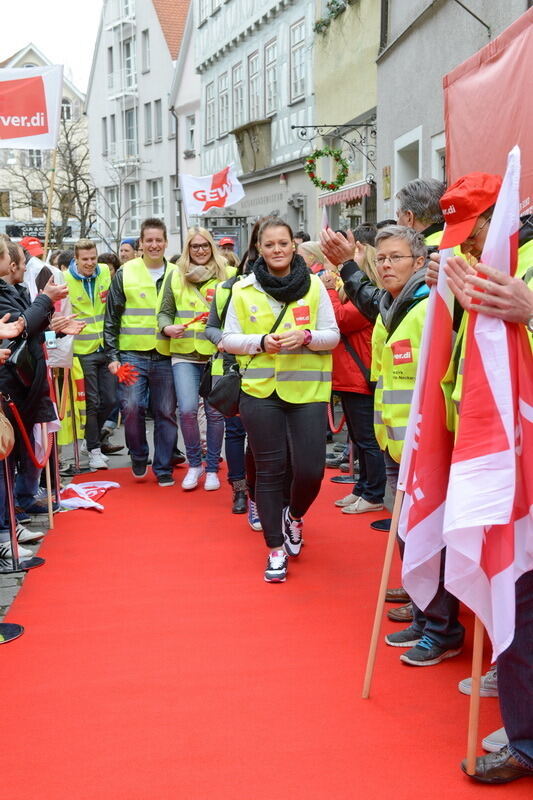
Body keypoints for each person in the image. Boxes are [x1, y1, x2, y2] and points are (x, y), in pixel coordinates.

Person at [222, 217, 339, 582]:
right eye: (269, 244)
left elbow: (332, 336)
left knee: (310, 470)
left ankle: (295, 516)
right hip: (260, 392)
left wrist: (306, 336)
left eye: (283, 243)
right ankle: (275, 550)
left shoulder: (315, 287)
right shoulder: (242, 290)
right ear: (259, 248)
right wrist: (261, 342)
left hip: (306, 392)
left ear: (293, 245)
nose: (277, 250)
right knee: (270, 473)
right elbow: (228, 339)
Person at [368, 225, 465, 664]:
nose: (386, 265)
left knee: (428, 536)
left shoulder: (427, 305)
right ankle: (427, 616)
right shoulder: (391, 305)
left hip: (426, 445)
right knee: (409, 536)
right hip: (395, 442)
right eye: (381, 258)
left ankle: (443, 629)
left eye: (396, 258)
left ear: (418, 261)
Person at [0, 240, 70, 551]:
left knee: (12, 461)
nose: (22, 264)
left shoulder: (13, 291)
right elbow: (20, 326)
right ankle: (4, 533)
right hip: (9, 386)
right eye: (14, 257)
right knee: (5, 464)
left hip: (25, 386)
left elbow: (32, 328)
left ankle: (9, 523)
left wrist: (59, 327)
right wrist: (44, 299)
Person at [158, 227, 234, 491]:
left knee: (214, 413)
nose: (200, 250)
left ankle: (212, 467)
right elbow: (164, 312)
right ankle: (194, 464)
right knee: (188, 410)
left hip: (217, 354)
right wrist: (167, 328)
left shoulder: (229, 276)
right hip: (184, 352)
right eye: (194, 246)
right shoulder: (175, 276)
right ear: (188, 249)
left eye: (204, 245)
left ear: (211, 247)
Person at [105, 217, 177, 486]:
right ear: (141, 244)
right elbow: (111, 317)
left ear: (166, 242)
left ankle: (164, 466)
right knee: (132, 408)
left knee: (166, 411)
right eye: (149, 240)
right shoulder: (126, 272)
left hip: (167, 354)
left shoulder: (176, 273)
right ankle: (138, 454)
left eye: (159, 240)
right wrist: (112, 356)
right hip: (131, 355)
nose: (154, 245)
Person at [319, 269, 386, 514]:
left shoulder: (365, 305)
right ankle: (363, 488)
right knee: (360, 439)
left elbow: (338, 318)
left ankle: (373, 494)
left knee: (368, 440)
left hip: (359, 379)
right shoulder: (359, 301)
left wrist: (327, 291)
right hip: (350, 379)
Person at [64, 239, 122, 470]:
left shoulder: (105, 274)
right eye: (85, 259)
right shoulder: (65, 280)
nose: (90, 263)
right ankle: (94, 449)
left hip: (106, 348)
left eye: (93, 258)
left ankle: (92, 440)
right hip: (82, 351)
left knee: (111, 400)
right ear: (76, 259)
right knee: (92, 402)